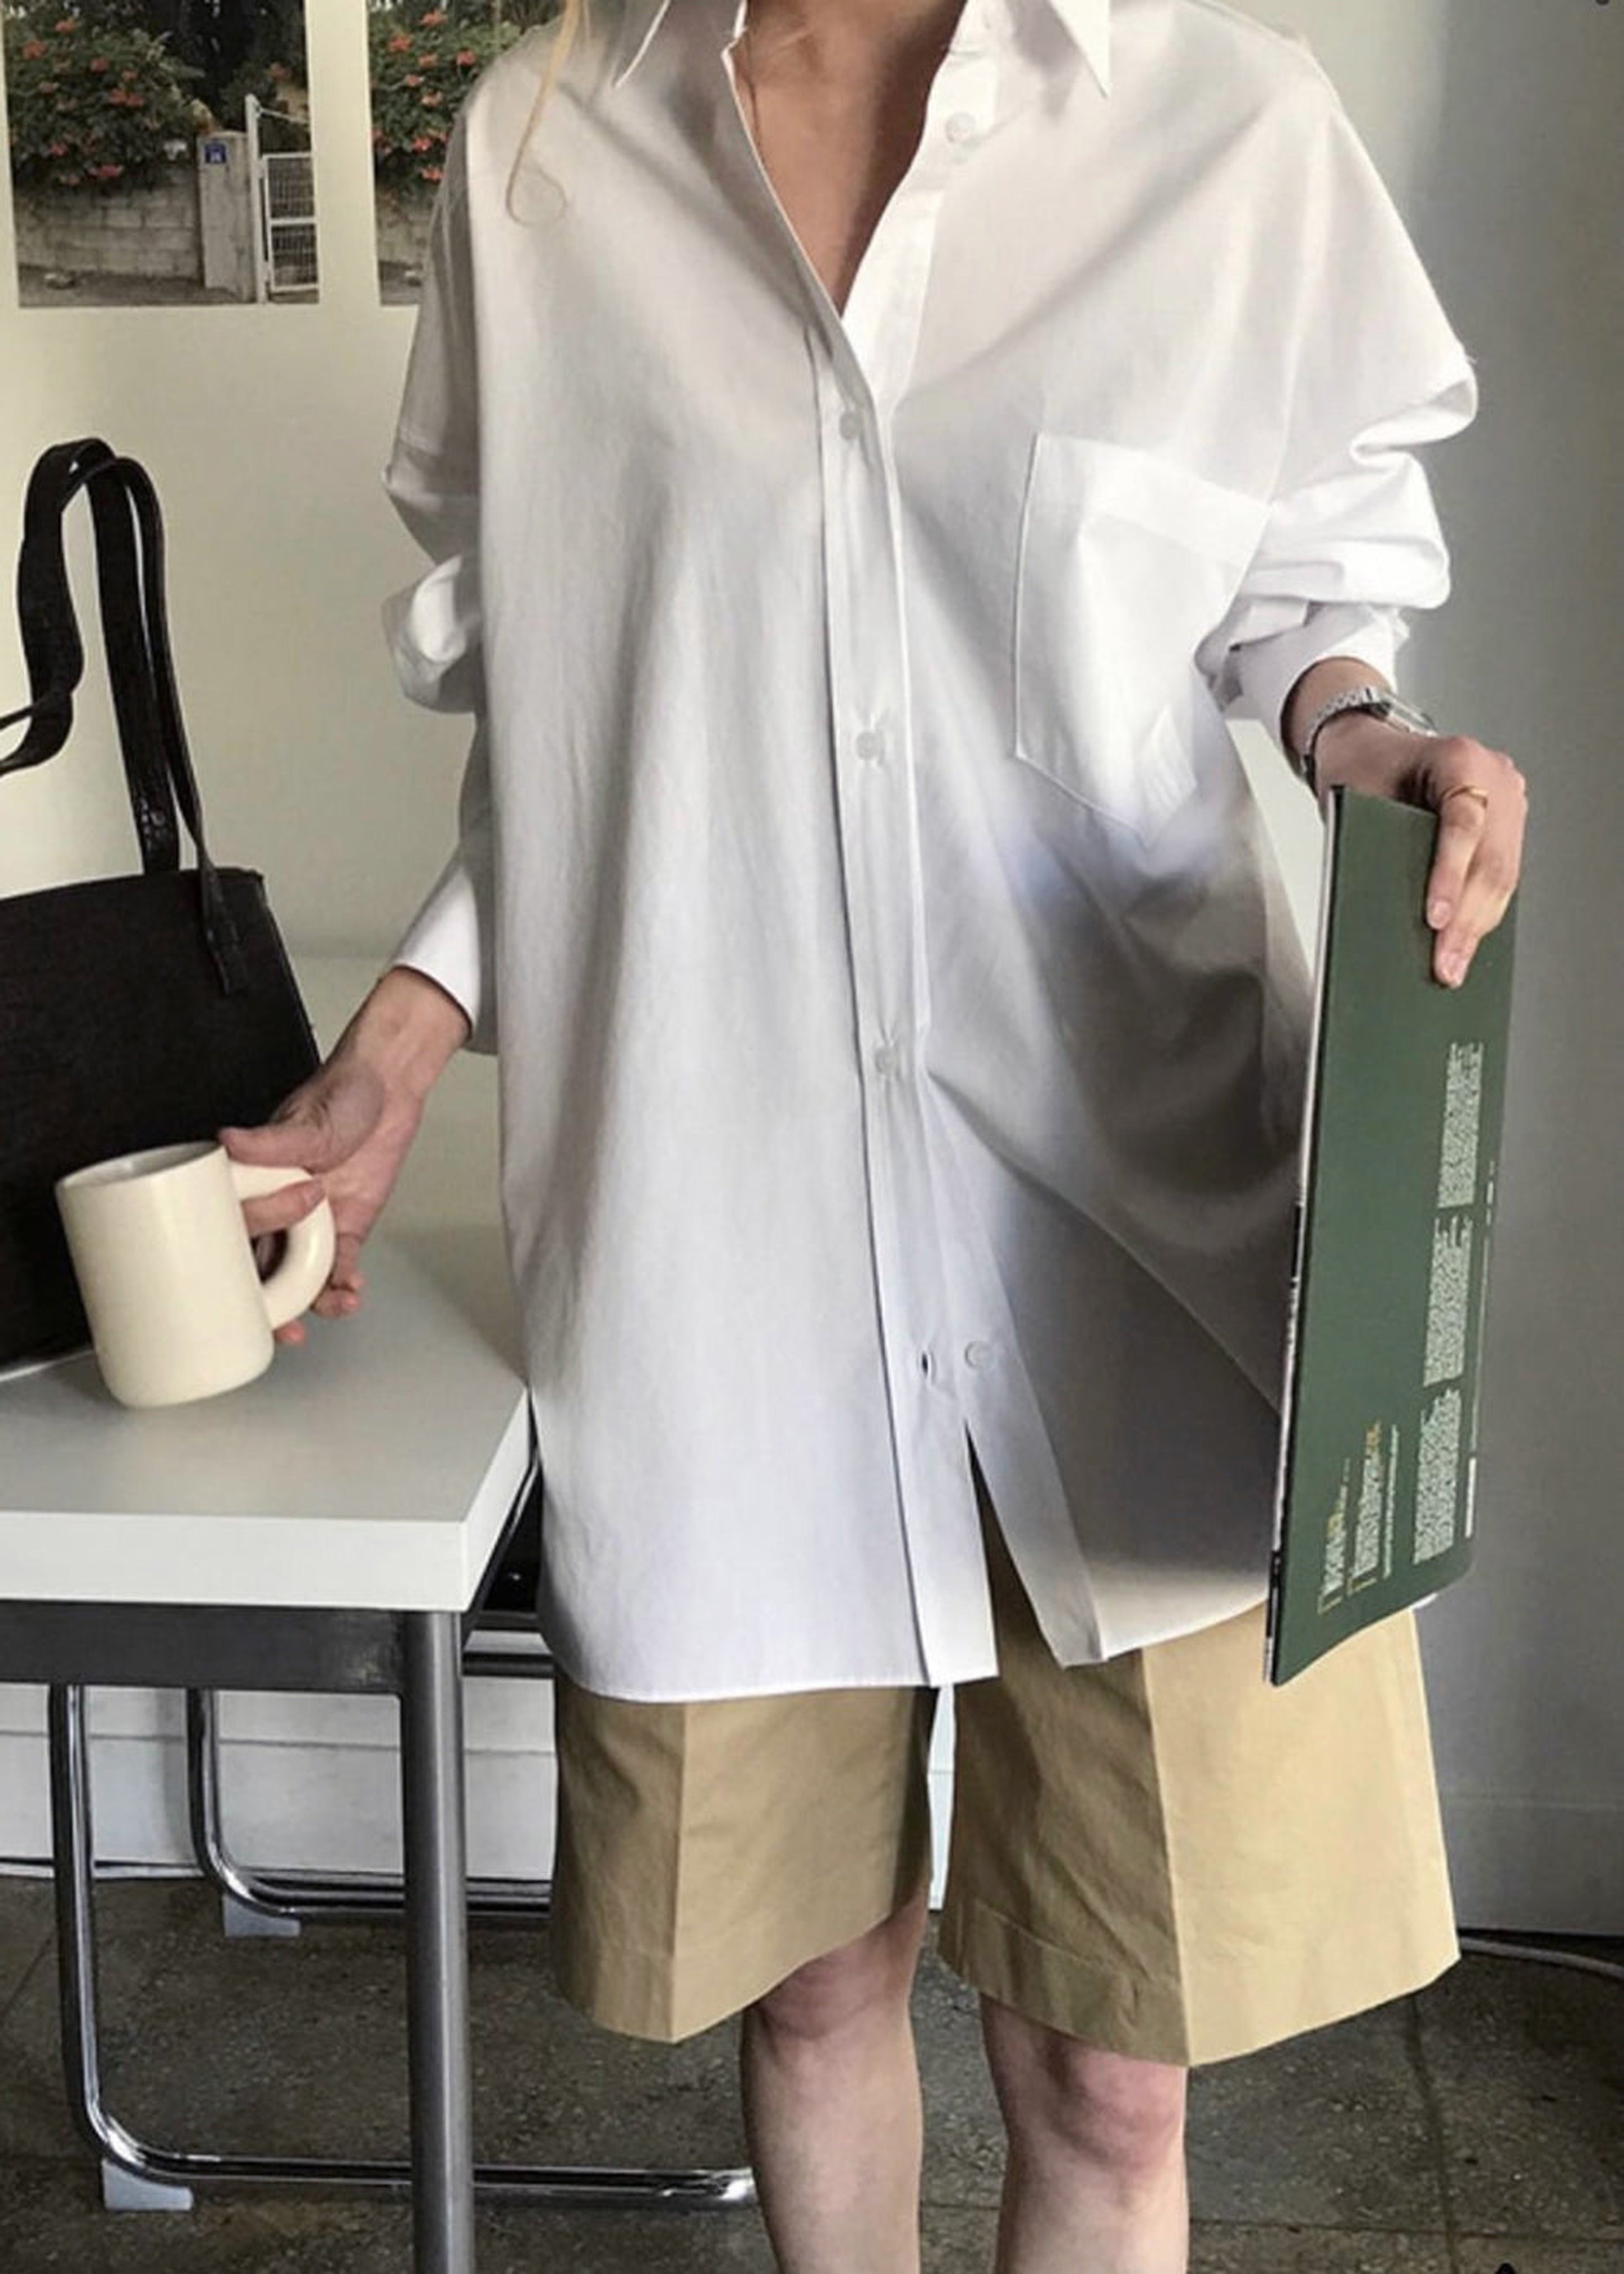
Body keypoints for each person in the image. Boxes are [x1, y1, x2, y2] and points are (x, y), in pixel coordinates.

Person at [224, 1, 1528, 2266]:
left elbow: (1304, 593)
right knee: (812, 1978)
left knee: (1113, 2062)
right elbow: (585, 700)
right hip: (724, 1248)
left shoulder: (1221, 121)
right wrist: (401, 1043)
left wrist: (1362, 736)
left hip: (1129, 1242)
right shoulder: (543, 156)